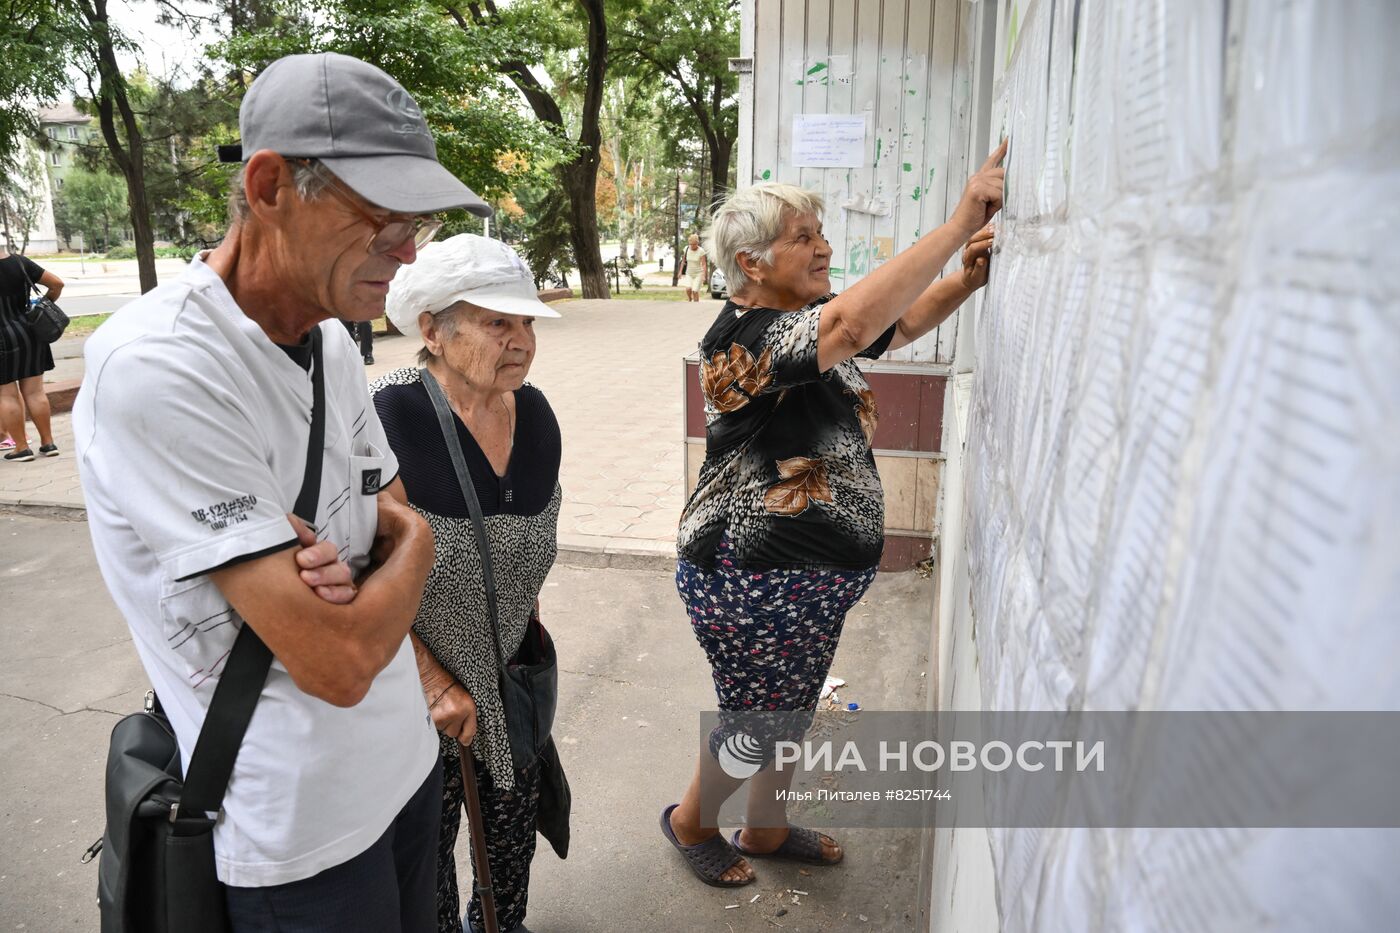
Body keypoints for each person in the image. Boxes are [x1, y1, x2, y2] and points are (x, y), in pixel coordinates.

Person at [73, 52, 494, 933]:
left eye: (414, 223)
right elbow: (336, 662)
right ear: (269, 185)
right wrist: (411, 545)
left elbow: (400, 512)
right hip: (297, 836)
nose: (409, 250)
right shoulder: (160, 364)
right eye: (382, 219)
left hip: (404, 772)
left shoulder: (332, 340)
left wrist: (399, 544)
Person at [660, 144, 1005, 887]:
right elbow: (852, 327)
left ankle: (766, 825)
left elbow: (897, 324)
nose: (823, 248)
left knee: (787, 712)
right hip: (747, 576)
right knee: (755, 719)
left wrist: (966, 282)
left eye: (820, 232)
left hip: (812, 578)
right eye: (804, 237)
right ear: (751, 263)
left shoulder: (810, 318)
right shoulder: (739, 342)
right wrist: (955, 226)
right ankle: (691, 819)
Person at [373, 233, 562, 933]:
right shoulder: (388, 419)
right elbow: (365, 572)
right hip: (417, 697)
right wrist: (429, 681)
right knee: (424, 862)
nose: (521, 341)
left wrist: (519, 644)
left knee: (509, 850)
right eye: (497, 322)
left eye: (527, 323)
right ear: (433, 329)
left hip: (509, 681)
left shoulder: (537, 415)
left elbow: (525, 553)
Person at [0, 234, 63, 462]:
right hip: (30, 333)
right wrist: (44, 305)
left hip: (1, 339)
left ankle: (21, 447)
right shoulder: (20, 263)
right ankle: (48, 443)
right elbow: (57, 284)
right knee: (36, 392)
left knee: (6, 394)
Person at [680, 233, 709, 302]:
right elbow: (683, 261)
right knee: (688, 289)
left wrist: (704, 275)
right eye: (691, 244)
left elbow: (704, 264)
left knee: (695, 291)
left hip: (698, 274)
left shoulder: (701, 251)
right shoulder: (686, 249)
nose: (692, 246)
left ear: (697, 243)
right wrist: (680, 272)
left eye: (694, 244)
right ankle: (690, 299)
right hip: (689, 273)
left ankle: (696, 306)